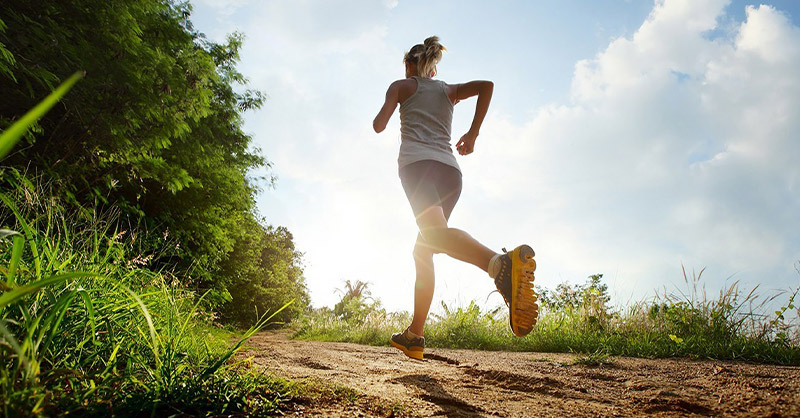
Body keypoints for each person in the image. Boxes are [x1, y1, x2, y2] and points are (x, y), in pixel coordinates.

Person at [373, 36, 538, 360]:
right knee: (425, 248)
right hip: (450, 172)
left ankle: (499, 265)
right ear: (433, 69)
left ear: (410, 66)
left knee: (433, 237)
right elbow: (486, 86)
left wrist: (394, 100)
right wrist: (473, 133)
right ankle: (415, 335)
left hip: (418, 167)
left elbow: (379, 125)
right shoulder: (448, 90)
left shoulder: (401, 86)